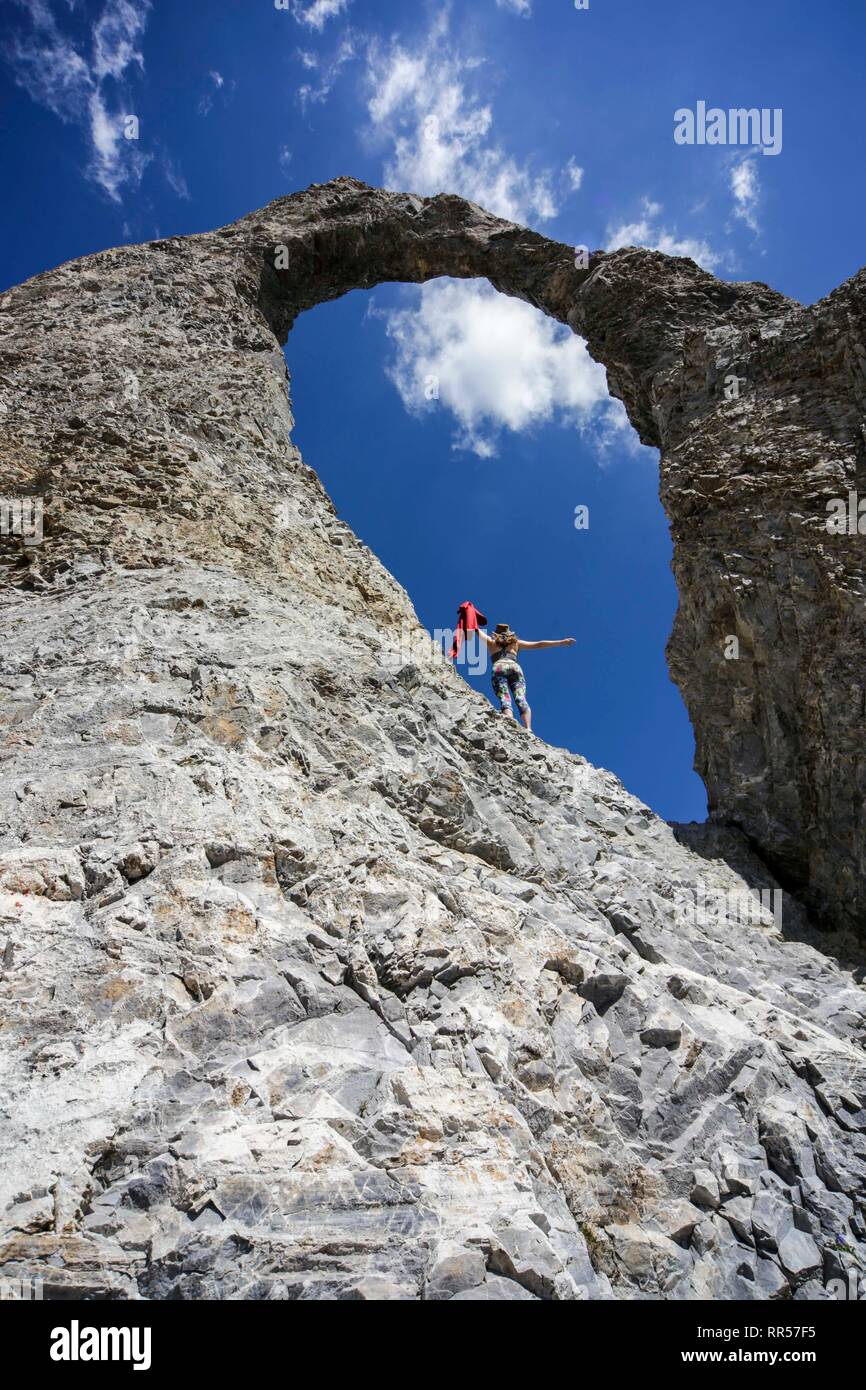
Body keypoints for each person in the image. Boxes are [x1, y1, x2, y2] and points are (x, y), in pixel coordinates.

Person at [480, 622, 576, 732]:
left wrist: (468, 615)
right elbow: (539, 644)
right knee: (520, 697)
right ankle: (528, 728)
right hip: (515, 668)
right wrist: (561, 642)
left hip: (499, 667)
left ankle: (509, 719)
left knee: (504, 696)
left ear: (495, 634)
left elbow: (475, 629)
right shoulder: (516, 643)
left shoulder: (491, 642)